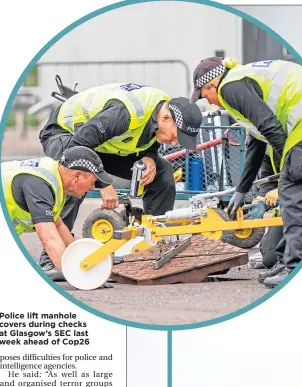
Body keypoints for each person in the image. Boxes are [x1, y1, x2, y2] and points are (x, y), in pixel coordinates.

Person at [39, 83, 202, 278]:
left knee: (162, 171)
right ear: (166, 118)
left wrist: (149, 157)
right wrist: (103, 182)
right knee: (76, 179)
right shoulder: (124, 114)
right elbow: (78, 148)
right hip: (64, 135)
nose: (175, 143)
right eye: (176, 136)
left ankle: (153, 244)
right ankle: (50, 258)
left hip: (101, 145)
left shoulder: (165, 107)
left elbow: (148, 137)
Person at [190, 56, 302, 288]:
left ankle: (294, 268)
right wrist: (242, 189)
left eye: (204, 95)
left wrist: (286, 169)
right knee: (291, 191)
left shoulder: (231, 87)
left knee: (291, 190)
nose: (209, 103)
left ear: (213, 85)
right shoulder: (239, 82)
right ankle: (286, 261)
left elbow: (270, 126)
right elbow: (257, 141)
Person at [2, 146, 113, 280]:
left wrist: (83, 261)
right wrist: (79, 276)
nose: (93, 187)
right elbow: (49, 239)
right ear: (77, 176)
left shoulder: (54, 180)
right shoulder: (40, 185)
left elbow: (58, 225)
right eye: (93, 182)